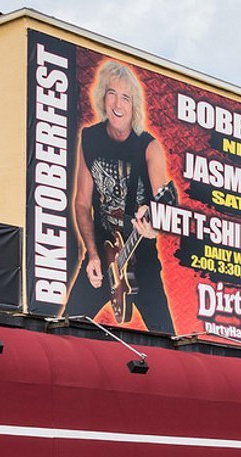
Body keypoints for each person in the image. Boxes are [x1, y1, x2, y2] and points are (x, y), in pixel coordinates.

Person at [64, 59, 177, 331]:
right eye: (112, 94)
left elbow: (165, 207)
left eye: (125, 98)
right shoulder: (90, 139)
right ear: (102, 98)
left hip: (142, 256)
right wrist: (92, 254)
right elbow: (81, 203)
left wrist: (153, 227)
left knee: (168, 343)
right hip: (102, 258)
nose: (118, 104)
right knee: (64, 330)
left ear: (134, 105)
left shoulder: (148, 147)